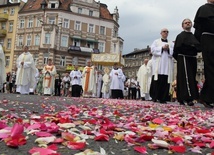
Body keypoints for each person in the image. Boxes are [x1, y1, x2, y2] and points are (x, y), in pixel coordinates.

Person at [173, 19, 201, 106]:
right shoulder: (180, 36)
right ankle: (187, 98)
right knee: (186, 78)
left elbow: (198, 47)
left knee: (192, 77)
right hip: (183, 57)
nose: (188, 23)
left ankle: (183, 97)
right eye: (186, 22)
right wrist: (190, 47)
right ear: (182, 26)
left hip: (192, 58)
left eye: (189, 22)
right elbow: (177, 48)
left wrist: (193, 47)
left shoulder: (194, 36)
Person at [194, 0, 214, 108]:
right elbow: (198, 29)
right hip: (208, 40)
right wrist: (198, 44)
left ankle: (206, 96)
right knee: (210, 67)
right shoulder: (204, 9)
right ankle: (208, 97)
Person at [149, 28, 174, 103]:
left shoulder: (171, 43)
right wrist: (162, 48)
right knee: (156, 80)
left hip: (167, 65)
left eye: (167, 32)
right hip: (158, 65)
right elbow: (152, 50)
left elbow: (174, 51)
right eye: (164, 31)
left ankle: (163, 98)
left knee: (165, 81)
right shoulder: (156, 41)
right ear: (161, 33)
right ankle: (155, 96)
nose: (165, 33)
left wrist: (169, 49)